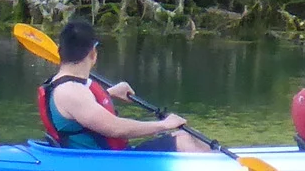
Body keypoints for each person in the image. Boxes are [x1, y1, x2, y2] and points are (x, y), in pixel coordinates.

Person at [37, 17, 208, 153]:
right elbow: (115, 128)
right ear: (93, 53)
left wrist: (107, 94)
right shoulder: (71, 92)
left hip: (107, 157)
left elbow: (81, 110)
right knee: (184, 139)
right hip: (104, 163)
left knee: (183, 135)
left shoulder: (64, 85)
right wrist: (163, 125)